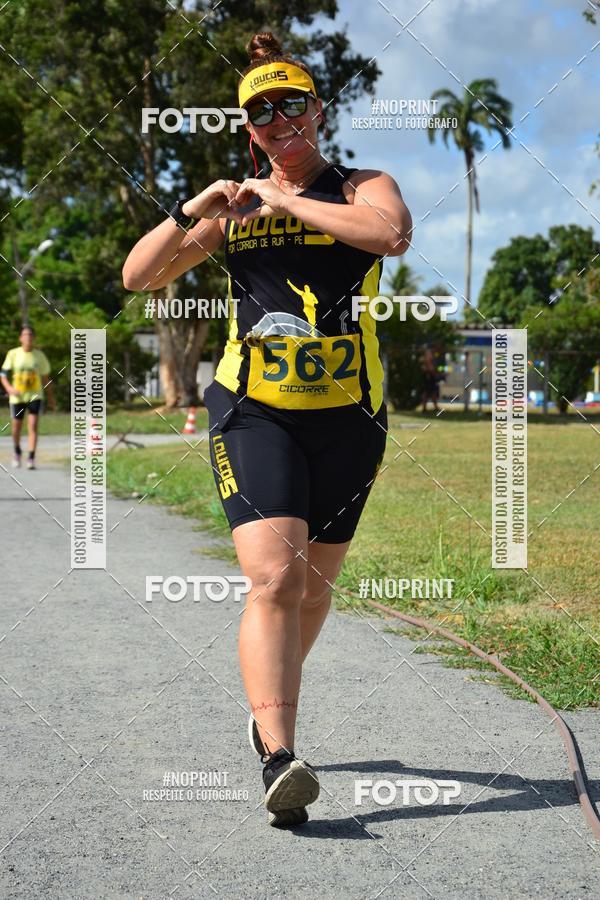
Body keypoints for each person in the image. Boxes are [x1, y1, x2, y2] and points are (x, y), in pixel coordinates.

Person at [123, 31, 411, 827]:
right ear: (248, 128)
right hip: (254, 410)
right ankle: (280, 756)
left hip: (351, 418)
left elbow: (389, 234)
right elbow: (138, 275)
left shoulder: (361, 184)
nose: (279, 120)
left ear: (316, 111)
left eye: (291, 105)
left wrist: (287, 198)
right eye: (261, 112)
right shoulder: (236, 209)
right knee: (276, 579)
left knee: (314, 587)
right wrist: (199, 207)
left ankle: (266, 705)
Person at [1, 324, 56, 469]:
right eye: (25, 335)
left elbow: (46, 378)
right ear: (20, 338)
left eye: (31, 335)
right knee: (16, 428)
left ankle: (31, 457)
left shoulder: (39, 356)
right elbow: (3, 374)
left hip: (35, 396)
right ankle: (17, 452)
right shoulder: (13, 354)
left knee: (32, 425)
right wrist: (9, 388)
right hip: (17, 397)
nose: (28, 338)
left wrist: (51, 398)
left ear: (34, 338)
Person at [420, 345, 441, 413]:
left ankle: (435, 407)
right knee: (427, 391)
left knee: (433, 391)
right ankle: (424, 408)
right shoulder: (429, 353)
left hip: (430, 374)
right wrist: (434, 373)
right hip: (428, 374)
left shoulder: (432, 353)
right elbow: (428, 364)